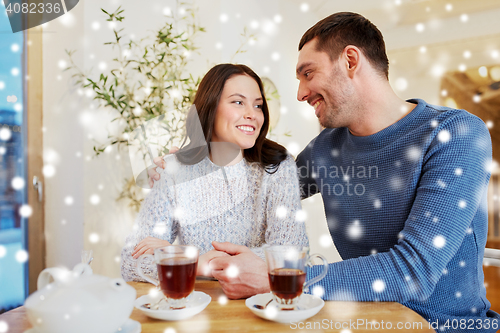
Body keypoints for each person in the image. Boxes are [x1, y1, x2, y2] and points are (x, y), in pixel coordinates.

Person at [148, 11, 499, 332]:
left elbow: (414, 273)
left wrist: (278, 279)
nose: (301, 93)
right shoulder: (327, 147)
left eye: (308, 73)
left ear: (350, 61)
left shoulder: (455, 134)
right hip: (363, 320)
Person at [120, 64, 308, 282]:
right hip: (197, 307)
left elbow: (293, 256)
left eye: (258, 106)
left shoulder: (277, 167)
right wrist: (200, 264)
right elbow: (131, 263)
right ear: (210, 107)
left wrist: (189, 259)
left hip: (260, 304)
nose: (252, 114)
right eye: (238, 102)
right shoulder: (173, 170)